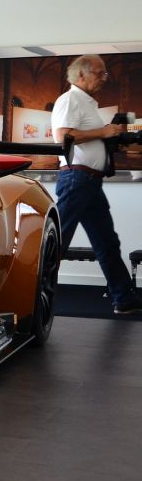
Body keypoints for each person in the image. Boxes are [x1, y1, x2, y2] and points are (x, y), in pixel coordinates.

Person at [51, 54, 142, 314]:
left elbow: (85, 136)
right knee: (57, 242)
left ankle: (123, 297)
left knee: (106, 242)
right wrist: (103, 132)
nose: (104, 78)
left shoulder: (87, 103)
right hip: (76, 180)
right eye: (100, 73)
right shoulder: (69, 99)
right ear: (81, 74)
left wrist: (108, 138)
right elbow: (63, 137)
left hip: (89, 182)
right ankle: (31, 299)